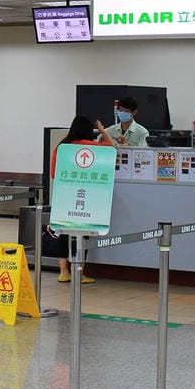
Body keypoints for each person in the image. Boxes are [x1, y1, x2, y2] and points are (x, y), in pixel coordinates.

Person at [48, 115, 113, 284]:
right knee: (83, 233)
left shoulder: (61, 147)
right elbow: (111, 147)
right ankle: (80, 273)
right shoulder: (91, 146)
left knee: (63, 233)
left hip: (65, 196)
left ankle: (63, 272)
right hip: (86, 197)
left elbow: (54, 173)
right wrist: (101, 129)